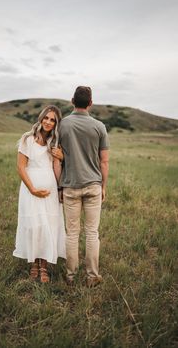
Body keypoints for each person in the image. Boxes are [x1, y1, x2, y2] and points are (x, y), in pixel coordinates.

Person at [59, 86, 109, 287]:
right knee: (92, 233)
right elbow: (104, 161)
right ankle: (92, 276)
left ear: (72, 101)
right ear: (90, 103)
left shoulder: (62, 125)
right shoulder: (99, 126)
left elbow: (56, 157)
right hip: (93, 186)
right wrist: (103, 186)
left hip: (70, 186)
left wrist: (59, 186)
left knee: (72, 233)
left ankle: (70, 277)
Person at [13, 105, 66, 283]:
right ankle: (34, 263)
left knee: (48, 225)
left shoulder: (55, 142)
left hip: (50, 189)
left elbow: (57, 168)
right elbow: (20, 167)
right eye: (46, 118)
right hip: (31, 189)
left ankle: (44, 265)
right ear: (41, 118)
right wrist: (33, 189)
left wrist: (62, 158)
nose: (48, 122)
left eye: (53, 120)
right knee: (34, 224)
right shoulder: (27, 139)